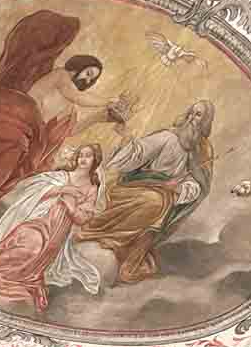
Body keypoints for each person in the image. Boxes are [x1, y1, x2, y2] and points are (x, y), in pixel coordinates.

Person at [0, 10, 129, 237]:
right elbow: (78, 96)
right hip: (13, 123)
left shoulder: (70, 107)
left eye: (92, 79)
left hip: (25, 138)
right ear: (77, 67)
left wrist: (102, 118)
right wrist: (109, 100)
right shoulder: (61, 77)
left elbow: (68, 131)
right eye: (88, 73)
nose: (88, 80)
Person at [73, 100, 215, 282]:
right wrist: (126, 138)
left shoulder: (201, 151)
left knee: (161, 205)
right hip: (136, 186)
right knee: (155, 202)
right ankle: (103, 234)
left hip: (167, 194)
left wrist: (179, 187)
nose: (191, 118)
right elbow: (139, 152)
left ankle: (128, 260)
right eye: (191, 112)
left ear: (206, 121)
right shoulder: (169, 137)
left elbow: (198, 184)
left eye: (198, 115)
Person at [0, 143, 104, 311]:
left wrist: (71, 206)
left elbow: (83, 218)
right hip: (40, 217)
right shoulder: (60, 176)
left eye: (88, 156)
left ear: (95, 160)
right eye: (81, 155)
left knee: (40, 256)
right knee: (28, 242)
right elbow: (34, 191)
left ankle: (18, 281)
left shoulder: (91, 188)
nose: (83, 159)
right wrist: (61, 189)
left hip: (59, 230)